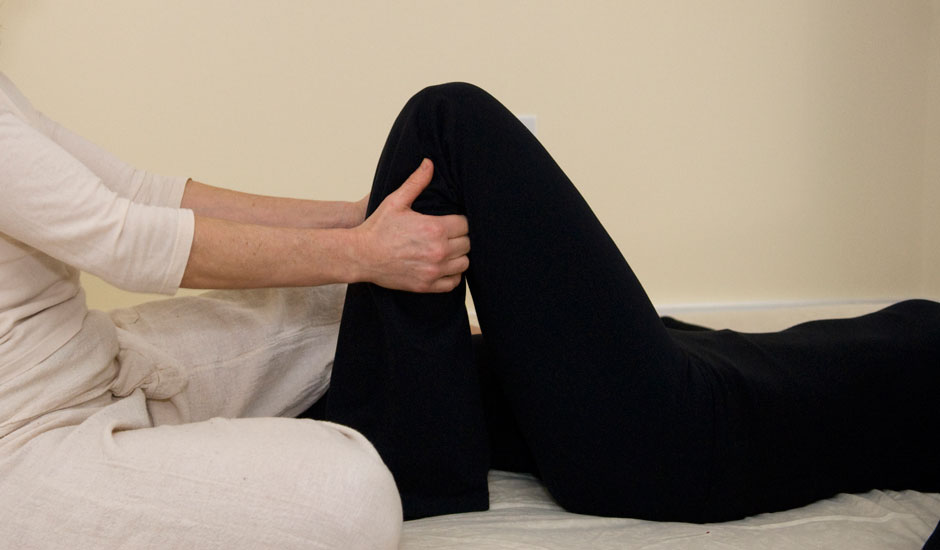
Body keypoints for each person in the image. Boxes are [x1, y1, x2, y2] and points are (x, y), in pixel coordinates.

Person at [307, 83, 940, 547]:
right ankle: (383, 456)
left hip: (698, 435)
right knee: (386, 385)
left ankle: (402, 470)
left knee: (447, 121)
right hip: (706, 377)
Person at [0, 71, 470, 549]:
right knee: (355, 496)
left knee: (345, 303)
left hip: (96, 360)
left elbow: (137, 193)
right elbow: (122, 239)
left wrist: (351, 220)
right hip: (23, 442)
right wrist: (363, 253)